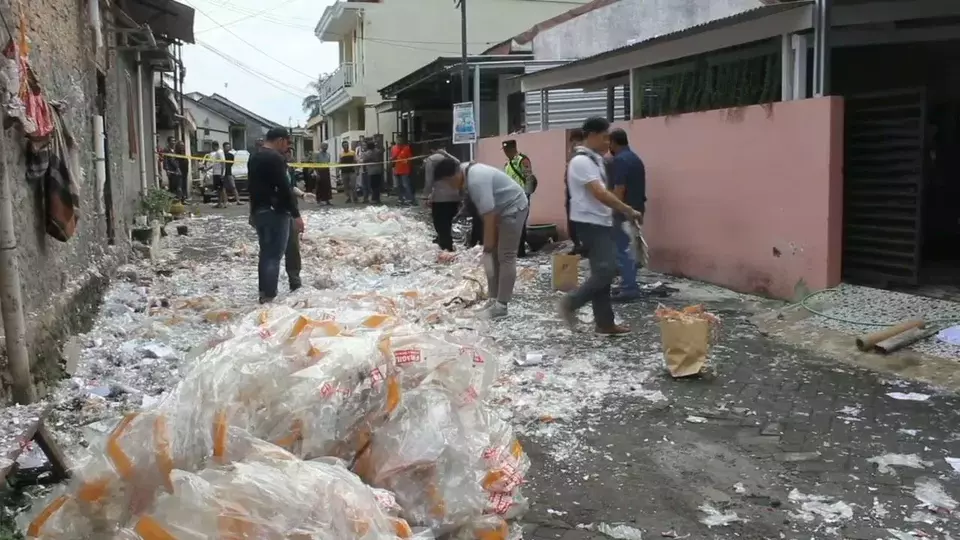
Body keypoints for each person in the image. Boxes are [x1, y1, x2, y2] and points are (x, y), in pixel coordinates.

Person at [557, 117, 644, 335]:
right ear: (592, 135)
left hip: (600, 220)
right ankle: (571, 302)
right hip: (590, 222)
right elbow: (599, 192)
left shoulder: (594, 159)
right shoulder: (582, 162)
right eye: (604, 137)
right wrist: (627, 209)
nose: (608, 142)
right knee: (608, 269)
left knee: (602, 271)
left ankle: (604, 323)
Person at [434, 157, 528, 319]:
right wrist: (489, 248)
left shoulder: (475, 180)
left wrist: (488, 246)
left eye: (447, 183)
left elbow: (489, 215)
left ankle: (501, 306)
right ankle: (493, 300)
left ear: (452, 176)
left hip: (513, 207)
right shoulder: (464, 171)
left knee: (506, 256)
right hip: (499, 209)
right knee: (493, 256)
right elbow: (487, 214)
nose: (450, 188)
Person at [248, 127, 303, 304]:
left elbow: (253, 187)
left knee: (266, 254)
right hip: (276, 212)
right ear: (280, 140)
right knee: (274, 256)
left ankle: (264, 293)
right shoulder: (275, 158)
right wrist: (296, 215)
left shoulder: (254, 156)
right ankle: (269, 297)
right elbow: (284, 188)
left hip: (260, 211)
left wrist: (252, 212)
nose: (287, 147)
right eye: (287, 142)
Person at [608, 128, 646, 302]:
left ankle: (629, 288)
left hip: (624, 211)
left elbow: (619, 189)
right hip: (637, 208)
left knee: (624, 250)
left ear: (613, 143)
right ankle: (627, 283)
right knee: (630, 248)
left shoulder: (620, 160)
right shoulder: (636, 159)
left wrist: (615, 209)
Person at [501, 140, 537, 258]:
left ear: (512, 148)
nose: (505, 153)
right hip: (509, 199)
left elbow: (529, 178)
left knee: (520, 224)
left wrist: (526, 195)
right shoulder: (507, 164)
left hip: (521, 197)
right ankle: (516, 249)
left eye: (507, 150)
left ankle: (520, 251)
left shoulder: (522, 160)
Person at [422, 146, 460, 251]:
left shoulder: (431, 160)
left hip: (440, 198)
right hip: (454, 197)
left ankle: (446, 248)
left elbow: (428, 181)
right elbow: (458, 161)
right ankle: (446, 243)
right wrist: (446, 153)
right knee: (447, 222)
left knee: (440, 223)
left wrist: (425, 197)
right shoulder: (450, 160)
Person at [565, 129, 585, 255]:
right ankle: (578, 245)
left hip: (576, 193)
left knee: (577, 221)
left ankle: (581, 245)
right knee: (573, 220)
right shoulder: (574, 154)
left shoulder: (579, 154)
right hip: (572, 192)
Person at [391, 136, 414, 205]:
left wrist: (407, 162)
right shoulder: (393, 148)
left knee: (405, 185)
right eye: (397, 140)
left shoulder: (406, 148)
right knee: (398, 186)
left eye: (400, 140)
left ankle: (409, 199)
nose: (398, 141)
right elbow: (392, 158)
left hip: (404, 170)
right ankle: (400, 199)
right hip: (396, 169)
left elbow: (410, 158)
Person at [207, 142, 227, 208]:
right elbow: (215, 164)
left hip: (218, 173)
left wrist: (222, 174)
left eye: (212, 146)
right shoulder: (217, 153)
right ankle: (220, 203)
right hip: (216, 172)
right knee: (219, 189)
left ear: (214, 146)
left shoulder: (219, 152)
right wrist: (207, 169)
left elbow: (223, 163)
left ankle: (224, 203)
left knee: (221, 189)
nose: (212, 148)